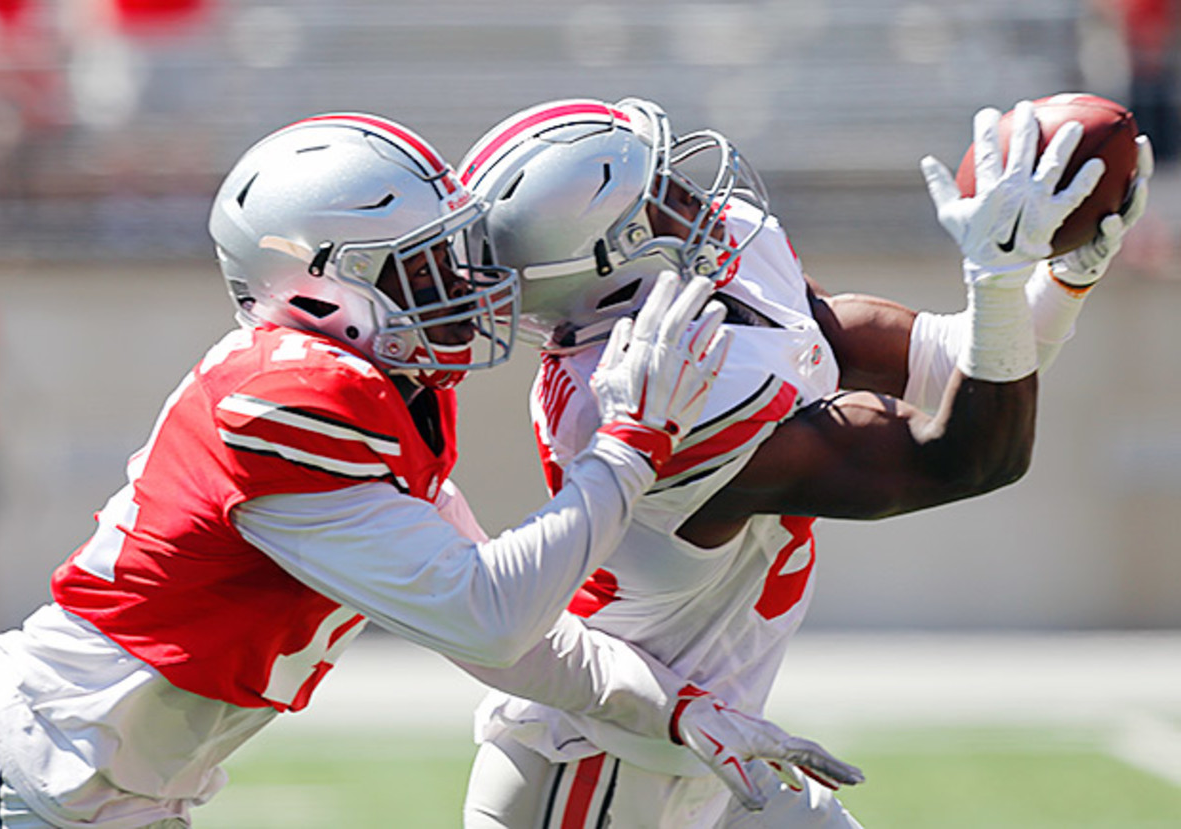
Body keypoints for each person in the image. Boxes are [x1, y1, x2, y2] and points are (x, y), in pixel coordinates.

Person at [0, 112, 866, 828]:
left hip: (97, 786)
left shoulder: (378, 391)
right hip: (42, 773)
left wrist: (668, 708)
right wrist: (629, 446)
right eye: (426, 267)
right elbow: (490, 617)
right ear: (322, 293)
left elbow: (503, 636)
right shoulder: (287, 400)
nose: (468, 283)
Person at [457, 97, 1152, 827]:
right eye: (657, 193)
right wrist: (999, 281)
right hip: (599, 773)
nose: (691, 193)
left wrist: (1061, 279)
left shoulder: (710, 289)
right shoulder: (647, 393)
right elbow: (968, 457)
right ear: (610, 261)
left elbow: (946, 363)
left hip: (709, 746)